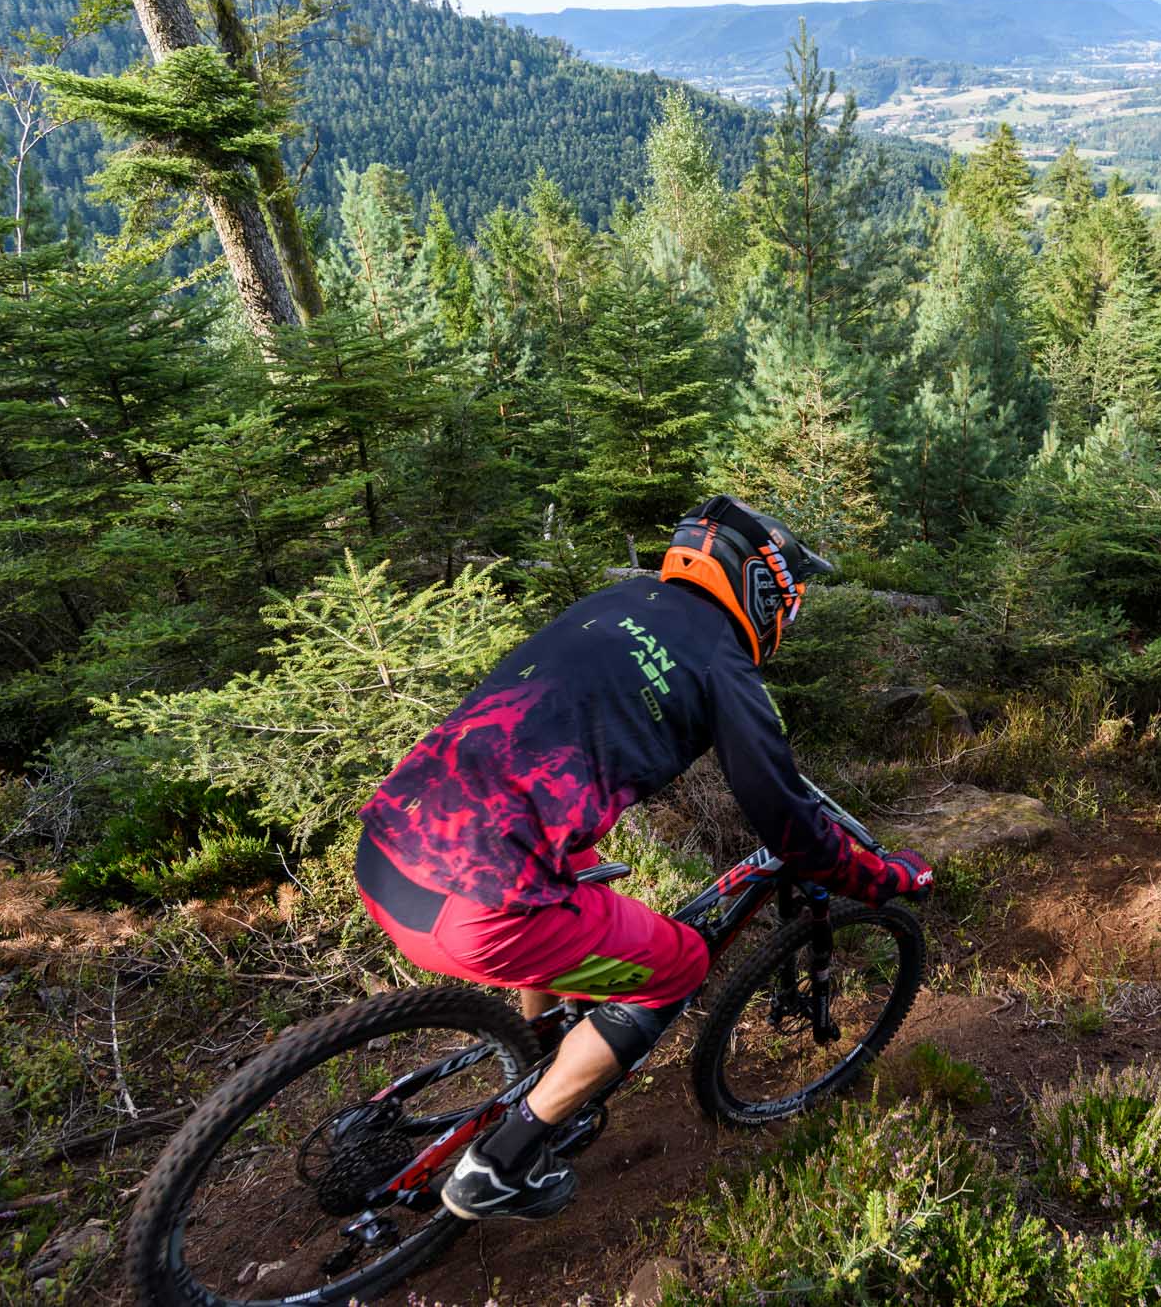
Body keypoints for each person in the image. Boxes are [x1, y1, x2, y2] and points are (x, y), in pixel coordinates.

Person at [353, 496, 933, 1222]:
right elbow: (794, 832)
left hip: (387, 843)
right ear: (761, 589)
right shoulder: (725, 661)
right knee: (681, 965)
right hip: (476, 906)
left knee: (581, 859)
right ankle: (498, 1164)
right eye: (789, 599)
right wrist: (885, 877)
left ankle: (542, 1045)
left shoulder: (621, 597)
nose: (789, 615)